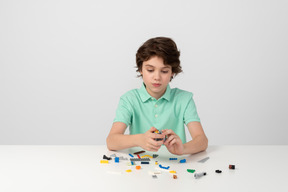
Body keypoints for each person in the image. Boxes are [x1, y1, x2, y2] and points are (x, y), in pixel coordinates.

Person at [106, 37, 208, 155]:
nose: (157, 77)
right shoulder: (129, 99)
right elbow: (111, 141)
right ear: (140, 70)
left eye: (164, 71)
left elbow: (202, 141)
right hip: (138, 166)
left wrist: (183, 149)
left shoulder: (184, 99)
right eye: (150, 70)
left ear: (172, 72)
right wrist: (139, 139)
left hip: (176, 167)